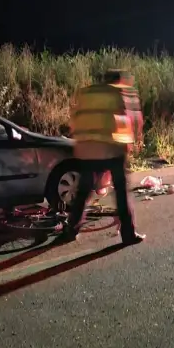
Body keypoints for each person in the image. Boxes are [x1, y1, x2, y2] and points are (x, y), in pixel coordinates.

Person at [57, 69, 146, 245]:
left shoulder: (87, 93)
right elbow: (132, 120)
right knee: (121, 192)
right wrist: (131, 142)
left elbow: (74, 120)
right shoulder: (120, 92)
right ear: (119, 80)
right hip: (111, 150)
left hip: (87, 150)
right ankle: (128, 235)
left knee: (84, 190)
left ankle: (71, 230)